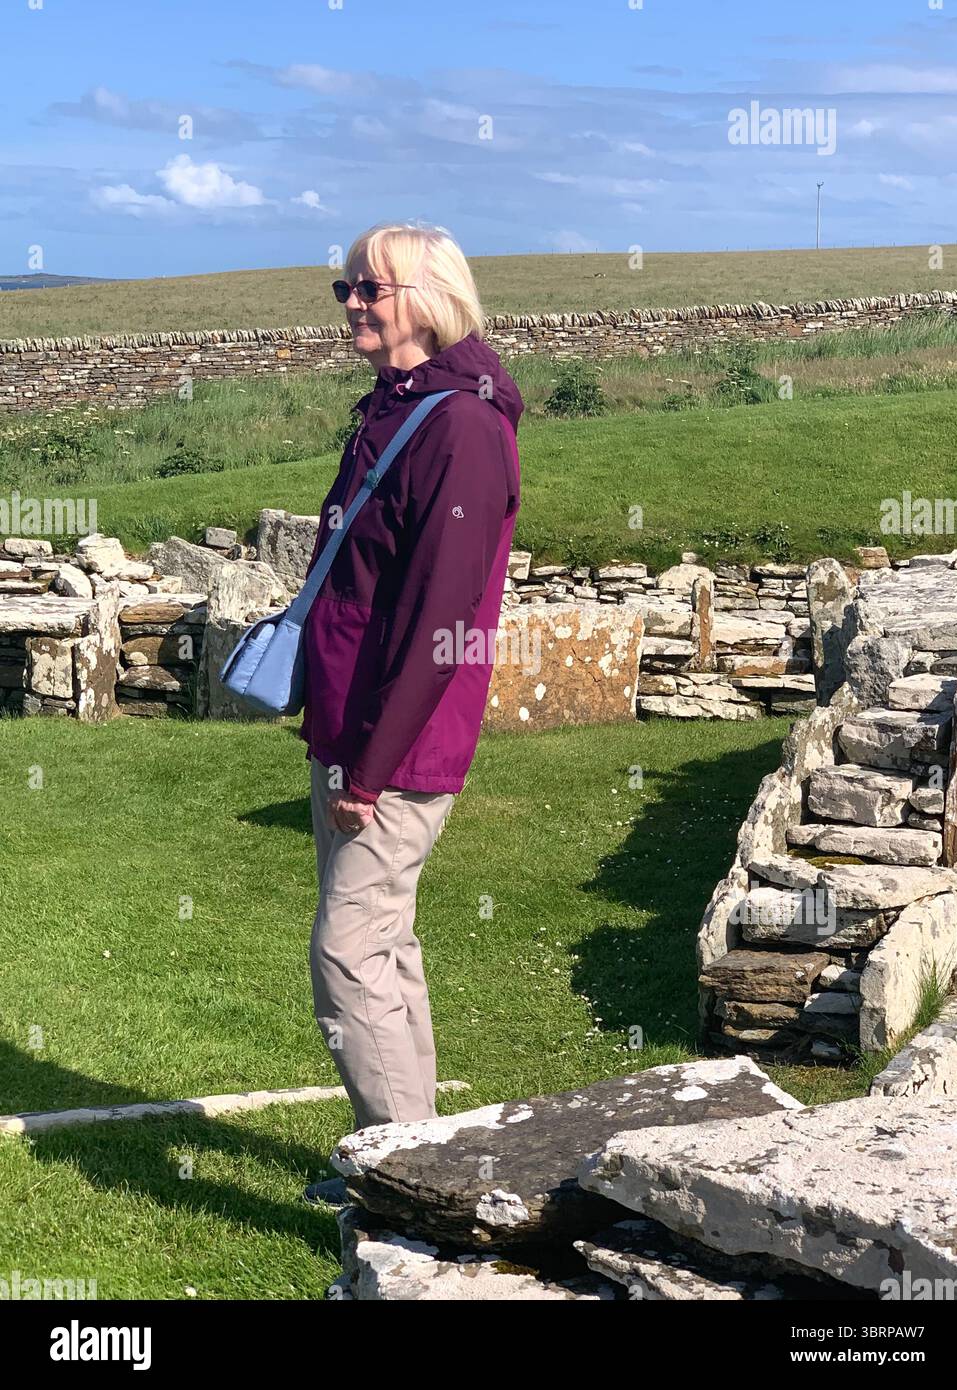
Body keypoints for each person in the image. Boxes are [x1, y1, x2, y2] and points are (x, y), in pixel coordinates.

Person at [300, 222, 523, 1193]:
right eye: (344, 286)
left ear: (426, 301)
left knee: (347, 960)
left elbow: (443, 622)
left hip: (394, 749)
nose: (351, 302)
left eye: (369, 289)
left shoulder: (462, 430)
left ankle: (409, 1188)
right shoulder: (396, 409)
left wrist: (373, 765)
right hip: (352, 731)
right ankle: (409, 1156)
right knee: (385, 945)